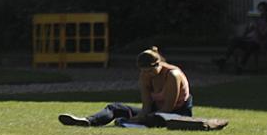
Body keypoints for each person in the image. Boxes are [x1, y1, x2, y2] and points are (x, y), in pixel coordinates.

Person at [60, 46, 193, 126]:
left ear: (159, 64)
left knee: (154, 119)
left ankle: (132, 123)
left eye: (150, 71)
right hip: (155, 112)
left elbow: (167, 108)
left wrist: (140, 118)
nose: (148, 74)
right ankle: (88, 121)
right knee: (114, 107)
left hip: (175, 113)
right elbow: (147, 105)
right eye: (144, 71)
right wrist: (141, 115)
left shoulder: (173, 75)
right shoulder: (145, 75)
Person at [219, 1, 267, 74]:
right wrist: (248, 27)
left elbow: (262, 36)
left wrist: (256, 26)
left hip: (261, 44)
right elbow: (245, 34)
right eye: (259, 10)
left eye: (261, 10)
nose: (260, 12)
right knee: (235, 40)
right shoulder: (258, 20)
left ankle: (240, 67)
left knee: (251, 45)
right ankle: (224, 60)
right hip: (252, 42)